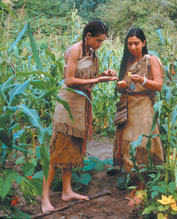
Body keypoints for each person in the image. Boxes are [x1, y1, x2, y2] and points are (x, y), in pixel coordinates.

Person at [41, 20, 118, 213]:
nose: (100, 45)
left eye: (102, 42)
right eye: (98, 40)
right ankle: (44, 198)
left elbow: (86, 79)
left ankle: (67, 190)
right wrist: (98, 79)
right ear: (88, 36)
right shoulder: (75, 50)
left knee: (72, 149)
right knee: (56, 153)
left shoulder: (91, 53)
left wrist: (104, 74)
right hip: (67, 106)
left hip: (81, 106)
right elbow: (70, 80)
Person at [114, 28, 164, 206]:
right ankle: (135, 187)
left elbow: (158, 85)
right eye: (129, 44)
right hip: (129, 107)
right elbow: (126, 86)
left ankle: (142, 190)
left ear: (143, 43)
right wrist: (121, 85)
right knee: (128, 146)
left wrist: (141, 80)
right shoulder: (127, 62)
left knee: (141, 147)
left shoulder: (151, 60)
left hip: (144, 107)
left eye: (136, 43)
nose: (133, 47)